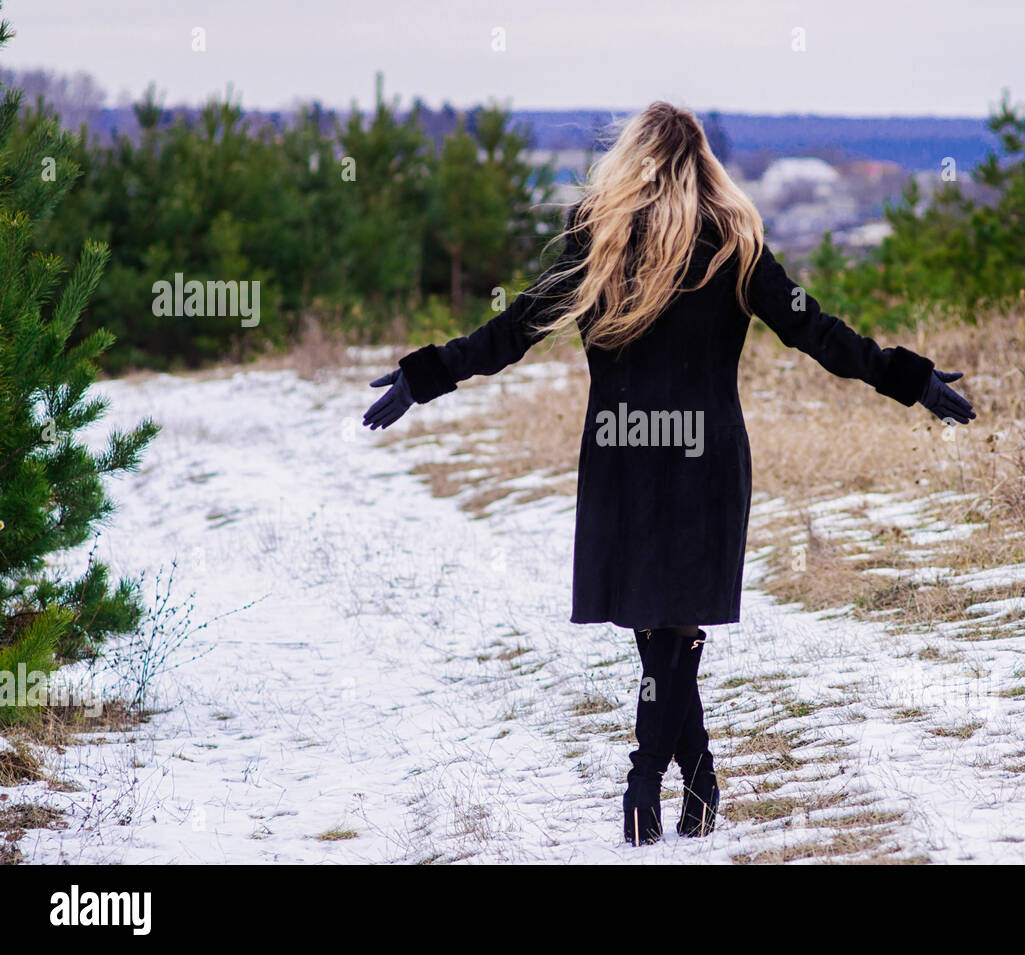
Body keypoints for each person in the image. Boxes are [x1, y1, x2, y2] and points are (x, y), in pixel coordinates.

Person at [363, 101, 975, 846]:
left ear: (633, 158)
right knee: (669, 629)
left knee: (663, 627)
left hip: (624, 455)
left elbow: (510, 330)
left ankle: (645, 784)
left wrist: (424, 375)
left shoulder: (603, 236)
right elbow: (818, 331)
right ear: (703, 162)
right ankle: (696, 782)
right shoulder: (732, 241)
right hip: (706, 458)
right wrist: (906, 378)